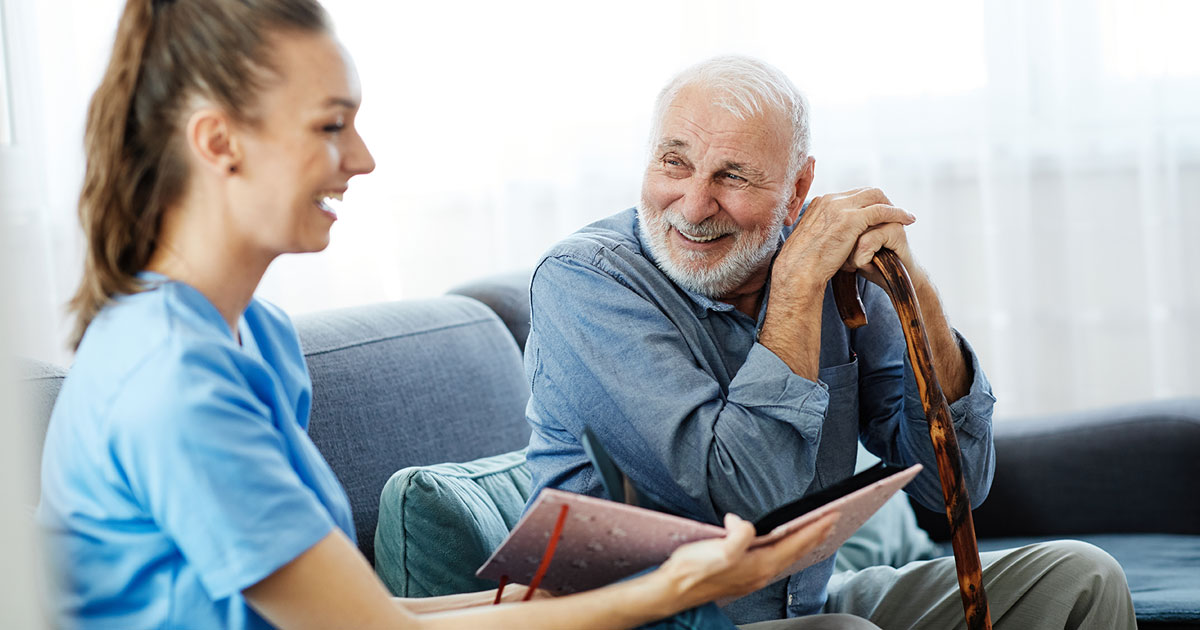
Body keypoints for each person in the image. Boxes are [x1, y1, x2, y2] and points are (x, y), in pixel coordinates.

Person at [36, 4, 845, 629]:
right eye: (330, 125)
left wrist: (513, 610)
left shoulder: (260, 340)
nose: (362, 158)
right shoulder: (172, 382)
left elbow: (361, 615)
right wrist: (679, 585)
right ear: (219, 143)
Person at [522, 55, 1138, 629]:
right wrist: (794, 288)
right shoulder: (587, 282)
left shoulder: (831, 270)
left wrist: (914, 287)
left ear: (797, 189)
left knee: (1080, 578)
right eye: (674, 163)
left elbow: (956, 485)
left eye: (732, 174)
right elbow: (742, 502)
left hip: (804, 604)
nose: (693, 202)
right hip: (660, 619)